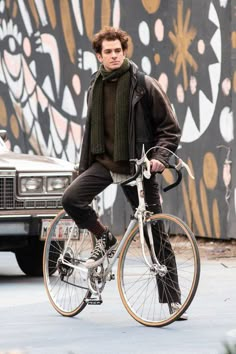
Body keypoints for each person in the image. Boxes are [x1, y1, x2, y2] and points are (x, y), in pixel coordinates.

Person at [62, 26, 187, 320]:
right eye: (108, 52)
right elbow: (91, 131)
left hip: (138, 165)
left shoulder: (144, 84)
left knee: (154, 229)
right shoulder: (95, 85)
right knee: (71, 199)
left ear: (124, 51)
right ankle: (104, 238)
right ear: (99, 55)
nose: (115, 56)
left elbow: (170, 128)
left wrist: (159, 158)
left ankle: (172, 301)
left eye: (119, 50)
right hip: (103, 163)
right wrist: (83, 169)